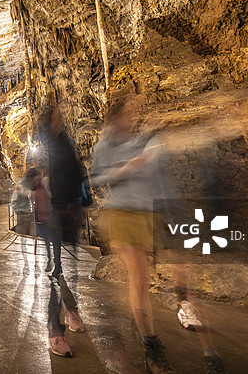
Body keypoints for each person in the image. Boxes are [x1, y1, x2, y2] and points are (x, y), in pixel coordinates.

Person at [91, 98, 177, 373]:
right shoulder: (105, 144)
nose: (132, 118)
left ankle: (141, 323)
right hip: (121, 212)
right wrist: (124, 170)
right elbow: (96, 177)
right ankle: (151, 345)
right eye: (127, 114)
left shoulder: (138, 141)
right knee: (139, 275)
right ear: (116, 117)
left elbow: (155, 171)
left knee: (143, 277)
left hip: (144, 212)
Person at [38, 104, 87, 356]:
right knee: (55, 271)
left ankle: (71, 311)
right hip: (56, 213)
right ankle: (55, 332)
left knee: (70, 267)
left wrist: (84, 201)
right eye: (56, 116)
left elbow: (78, 173)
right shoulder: (48, 142)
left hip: (71, 209)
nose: (61, 118)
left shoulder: (66, 142)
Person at [11, 168, 38, 236]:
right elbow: (28, 194)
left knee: (29, 233)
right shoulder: (22, 185)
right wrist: (19, 211)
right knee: (22, 233)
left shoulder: (28, 184)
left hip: (28, 212)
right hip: (23, 213)